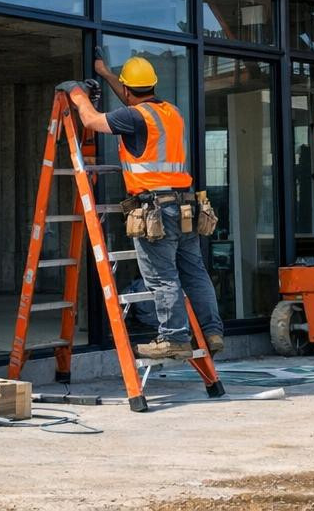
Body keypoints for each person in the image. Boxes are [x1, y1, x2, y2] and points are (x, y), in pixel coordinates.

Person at [62, 57, 225, 361]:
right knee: (194, 272)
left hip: (156, 210)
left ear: (126, 89)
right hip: (185, 206)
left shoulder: (134, 117)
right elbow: (133, 102)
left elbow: (91, 121)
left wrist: (76, 94)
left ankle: (173, 339)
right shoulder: (171, 112)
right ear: (152, 85)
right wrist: (107, 74)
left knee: (163, 277)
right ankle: (212, 331)